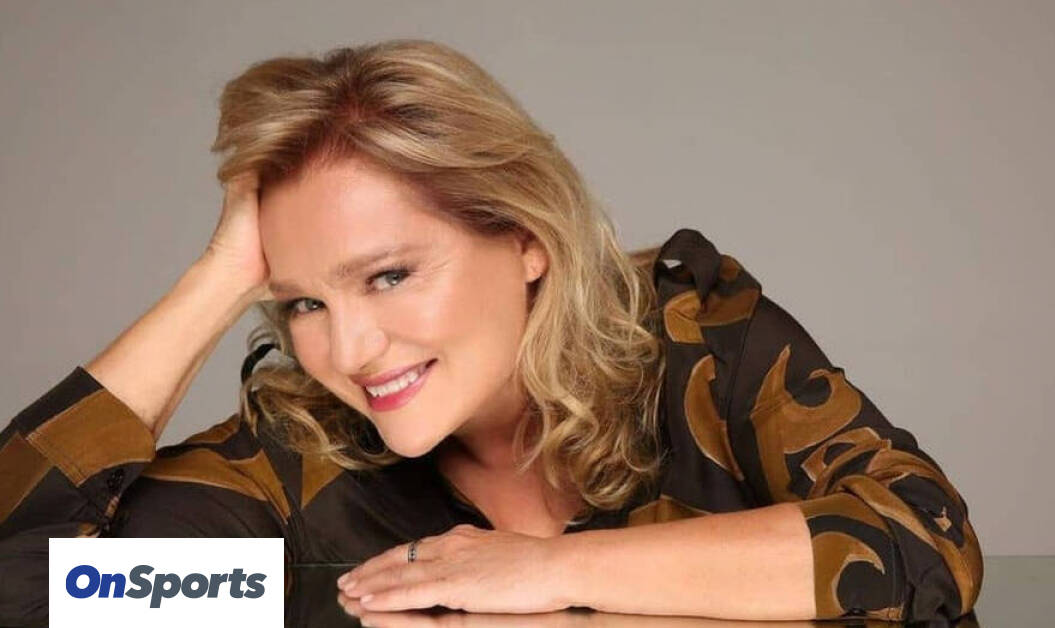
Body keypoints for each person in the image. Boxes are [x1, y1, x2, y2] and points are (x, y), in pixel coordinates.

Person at [0, 39, 982, 624]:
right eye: (303, 302)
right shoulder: (298, 460)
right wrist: (216, 279)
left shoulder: (700, 344)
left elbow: (925, 543)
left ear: (525, 238)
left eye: (389, 275)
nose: (349, 352)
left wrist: (548, 574)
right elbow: (27, 588)